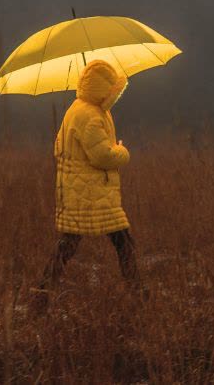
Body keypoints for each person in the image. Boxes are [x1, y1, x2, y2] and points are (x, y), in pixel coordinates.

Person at [31, 59, 142, 311]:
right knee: (122, 242)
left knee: (70, 244)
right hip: (90, 192)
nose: (116, 94)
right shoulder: (89, 115)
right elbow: (101, 156)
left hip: (84, 190)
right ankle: (138, 296)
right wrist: (122, 151)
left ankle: (41, 295)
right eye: (113, 89)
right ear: (102, 88)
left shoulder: (80, 109)